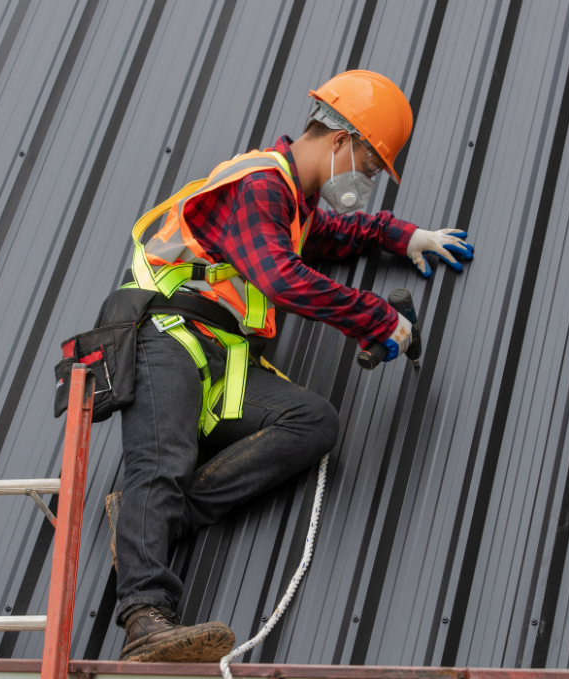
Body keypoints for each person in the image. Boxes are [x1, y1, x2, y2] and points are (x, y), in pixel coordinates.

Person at [113, 70, 474, 662]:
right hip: (167, 336)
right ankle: (145, 620)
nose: (368, 181)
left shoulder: (292, 205)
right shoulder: (260, 184)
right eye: (370, 165)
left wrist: (404, 236)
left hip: (221, 357)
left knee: (313, 422)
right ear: (341, 141)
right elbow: (281, 277)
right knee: (162, 461)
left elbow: (333, 236)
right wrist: (375, 317)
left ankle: (152, 519)